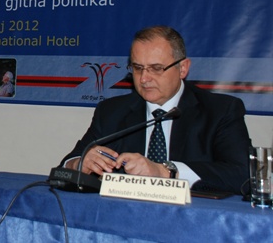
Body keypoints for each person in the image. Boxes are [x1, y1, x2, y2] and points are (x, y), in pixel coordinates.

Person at [61, 26, 251, 194]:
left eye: (156, 68)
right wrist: (79, 163)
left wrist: (165, 171)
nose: (144, 78)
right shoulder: (111, 111)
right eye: (137, 68)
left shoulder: (220, 110)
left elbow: (242, 175)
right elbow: (67, 164)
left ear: (183, 68)